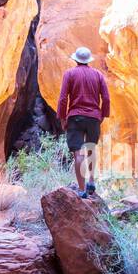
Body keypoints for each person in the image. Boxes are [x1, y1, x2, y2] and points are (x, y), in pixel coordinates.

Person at [56, 46, 110, 198]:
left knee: (78, 154)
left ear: (75, 60)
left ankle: (82, 189)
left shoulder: (70, 74)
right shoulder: (98, 75)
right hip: (93, 117)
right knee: (91, 149)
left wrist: (62, 118)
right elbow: (106, 98)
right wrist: (102, 116)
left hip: (75, 118)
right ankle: (91, 181)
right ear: (88, 61)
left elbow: (62, 98)